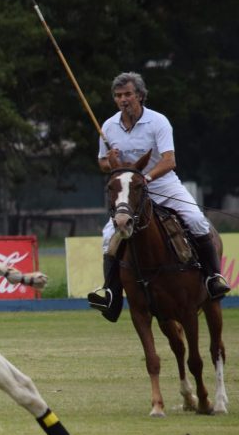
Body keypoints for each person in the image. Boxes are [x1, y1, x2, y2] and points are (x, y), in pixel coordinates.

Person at [87, 72, 230, 322]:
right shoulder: (109, 126)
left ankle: (212, 278)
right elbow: (101, 162)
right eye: (118, 96)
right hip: (130, 191)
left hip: (162, 184)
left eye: (128, 95)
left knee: (196, 220)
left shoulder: (158, 122)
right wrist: (109, 162)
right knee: (109, 234)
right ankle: (110, 293)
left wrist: (147, 178)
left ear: (140, 96)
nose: (123, 100)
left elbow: (169, 160)